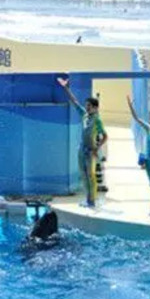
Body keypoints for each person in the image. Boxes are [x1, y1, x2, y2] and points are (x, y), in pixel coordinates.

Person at [57, 77, 108, 207]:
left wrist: (97, 148)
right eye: (86, 106)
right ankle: (88, 199)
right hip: (82, 149)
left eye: (89, 106)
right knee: (83, 175)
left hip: (91, 151)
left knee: (91, 175)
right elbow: (74, 102)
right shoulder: (85, 115)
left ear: (96, 108)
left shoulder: (97, 120)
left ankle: (92, 200)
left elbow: (105, 136)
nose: (87, 107)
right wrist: (66, 88)